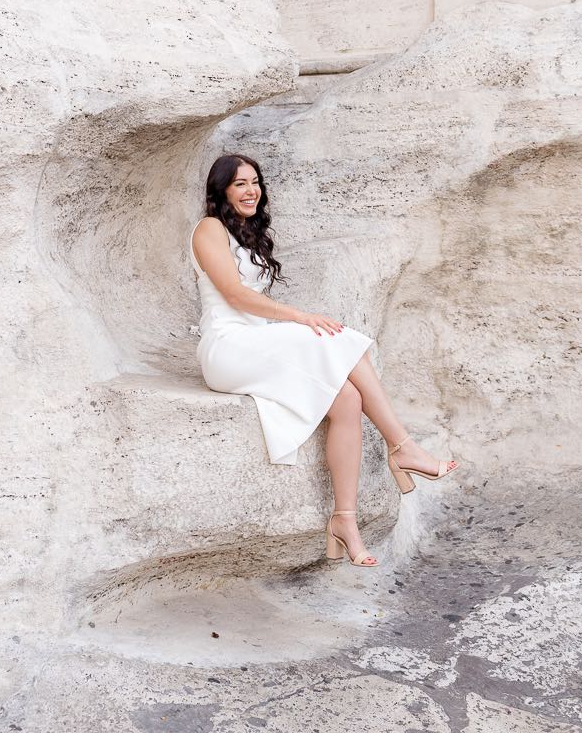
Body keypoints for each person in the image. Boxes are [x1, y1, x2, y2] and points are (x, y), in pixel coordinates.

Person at [189, 154, 459, 569]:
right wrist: (300, 317)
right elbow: (236, 297)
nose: (251, 190)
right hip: (228, 347)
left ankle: (343, 521)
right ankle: (402, 446)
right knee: (336, 337)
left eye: (255, 182)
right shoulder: (209, 229)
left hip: (259, 343)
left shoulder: (247, 234)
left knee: (348, 399)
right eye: (240, 183)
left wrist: (298, 322)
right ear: (222, 189)